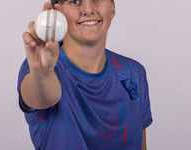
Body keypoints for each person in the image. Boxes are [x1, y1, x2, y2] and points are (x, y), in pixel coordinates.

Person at [17, 0, 153, 149]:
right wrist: (42, 73)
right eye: (74, 1)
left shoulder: (134, 72)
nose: (88, 10)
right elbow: (42, 96)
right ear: (58, 14)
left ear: (112, 8)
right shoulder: (39, 67)